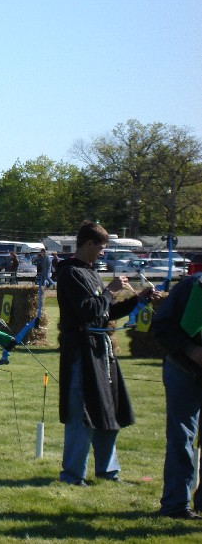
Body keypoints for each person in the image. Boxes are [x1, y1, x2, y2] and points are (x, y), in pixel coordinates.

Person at [56, 221, 153, 486]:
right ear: (88, 244)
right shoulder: (70, 274)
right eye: (101, 247)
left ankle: (108, 471)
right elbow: (88, 310)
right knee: (83, 412)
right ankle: (72, 475)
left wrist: (137, 299)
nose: (103, 252)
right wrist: (110, 291)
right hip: (80, 352)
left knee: (109, 409)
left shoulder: (91, 273)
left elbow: (104, 313)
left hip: (101, 351)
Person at [153, 272, 202, 519]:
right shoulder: (190, 288)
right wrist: (190, 349)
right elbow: (161, 325)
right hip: (182, 369)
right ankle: (175, 505)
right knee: (181, 437)